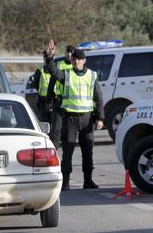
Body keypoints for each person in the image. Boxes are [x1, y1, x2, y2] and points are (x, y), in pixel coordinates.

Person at [45, 39, 104, 191]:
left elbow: (98, 97)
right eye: (74, 59)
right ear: (72, 60)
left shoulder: (91, 75)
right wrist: (50, 56)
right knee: (68, 150)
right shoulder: (66, 74)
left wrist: (100, 118)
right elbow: (53, 71)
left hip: (86, 118)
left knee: (87, 150)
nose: (76, 61)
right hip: (70, 118)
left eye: (79, 59)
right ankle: (65, 182)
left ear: (84, 61)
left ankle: (88, 180)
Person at [46, 44, 76, 149]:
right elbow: (52, 81)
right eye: (67, 52)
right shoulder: (59, 64)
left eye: (71, 52)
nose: (68, 54)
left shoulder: (75, 66)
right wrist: (49, 97)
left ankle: (68, 148)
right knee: (56, 128)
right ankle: (54, 150)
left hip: (72, 101)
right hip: (59, 100)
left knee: (69, 129)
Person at [28, 51, 52, 123]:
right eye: (44, 57)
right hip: (43, 100)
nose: (45, 59)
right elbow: (36, 82)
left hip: (53, 99)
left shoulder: (56, 68)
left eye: (47, 57)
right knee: (44, 121)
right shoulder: (40, 69)